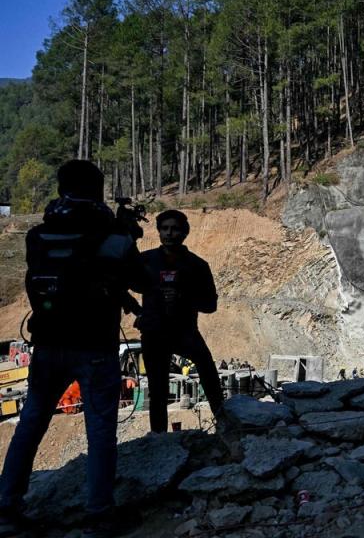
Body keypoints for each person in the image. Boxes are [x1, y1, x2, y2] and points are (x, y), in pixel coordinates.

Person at [0, 160, 147, 538]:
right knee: (100, 429)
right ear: (98, 189)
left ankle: (6, 506)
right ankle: (98, 513)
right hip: (94, 345)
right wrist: (126, 236)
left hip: (47, 344)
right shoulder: (108, 237)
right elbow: (139, 278)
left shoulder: (38, 235)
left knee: (31, 422)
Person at [137, 210, 222, 434]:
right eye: (164, 228)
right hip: (154, 332)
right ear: (158, 231)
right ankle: (158, 439)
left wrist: (185, 298)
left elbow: (211, 305)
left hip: (185, 331)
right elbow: (118, 283)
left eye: (174, 229)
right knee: (157, 391)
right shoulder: (145, 261)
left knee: (210, 375)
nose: (169, 233)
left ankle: (225, 425)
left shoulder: (197, 266)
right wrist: (137, 312)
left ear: (184, 233)